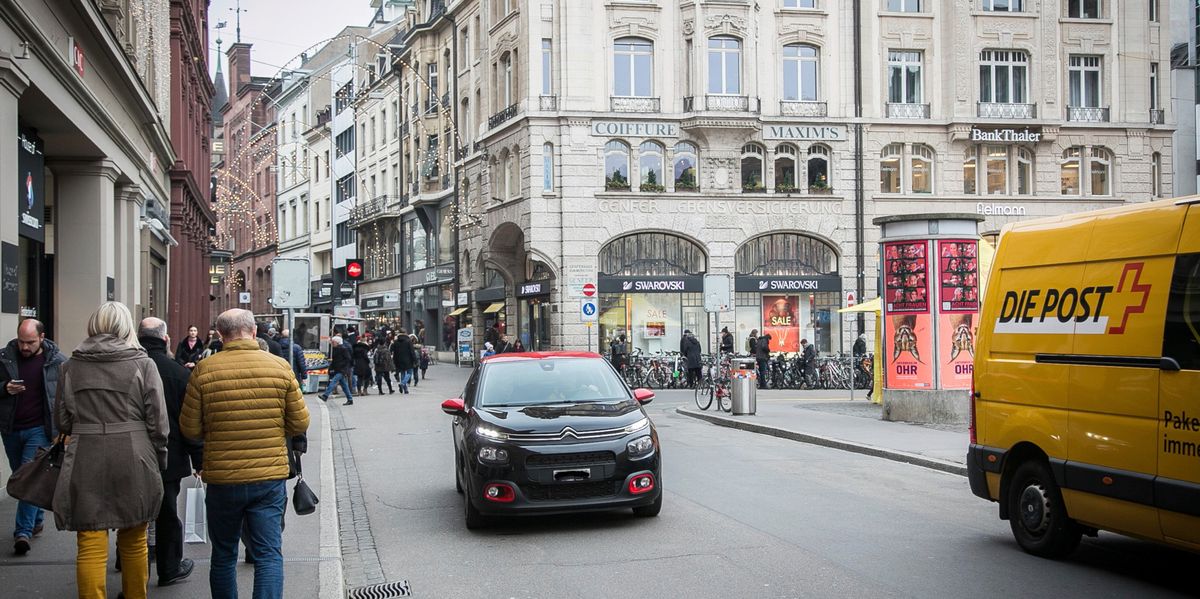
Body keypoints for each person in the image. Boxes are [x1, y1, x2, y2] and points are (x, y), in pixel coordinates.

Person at [180, 308, 309, 599]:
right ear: (253, 332)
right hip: (268, 476)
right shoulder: (279, 367)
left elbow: (190, 428)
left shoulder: (204, 370)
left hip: (223, 477)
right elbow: (299, 422)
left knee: (224, 554)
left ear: (220, 335)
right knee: (268, 553)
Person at [55, 302, 169, 599]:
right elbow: (158, 422)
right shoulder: (143, 364)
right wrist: (159, 457)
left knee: (90, 541)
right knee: (134, 538)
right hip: (134, 454)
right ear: (127, 326)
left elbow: (62, 421)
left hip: (85, 454)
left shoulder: (70, 366)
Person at [137, 317, 201, 587]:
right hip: (169, 455)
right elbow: (189, 422)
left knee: (133, 512)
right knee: (167, 513)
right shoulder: (178, 373)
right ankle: (169, 567)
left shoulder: (129, 368)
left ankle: (128, 563)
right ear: (165, 340)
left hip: (132, 452)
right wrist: (198, 459)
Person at [0, 318, 66, 556]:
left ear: (41, 337)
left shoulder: (58, 362)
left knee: (27, 477)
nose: (24, 347)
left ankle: (22, 533)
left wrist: (63, 429)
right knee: (21, 475)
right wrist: (4, 388)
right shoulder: (5, 358)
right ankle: (36, 518)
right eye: (21, 342)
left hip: (39, 429)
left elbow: (65, 396)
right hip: (11, 429)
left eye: (29, 342)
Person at [320, 336, 354, 405]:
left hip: (342, 369)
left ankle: (325, 395)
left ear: (337, 342)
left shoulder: (343, 349)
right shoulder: (336, 349)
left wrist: (342, 366)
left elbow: (348, 359)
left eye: (333, 342)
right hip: (339, 369)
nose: (332, 343)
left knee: (334, 381)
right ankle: (350, 399)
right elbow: (334, 361)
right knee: (344, 385)